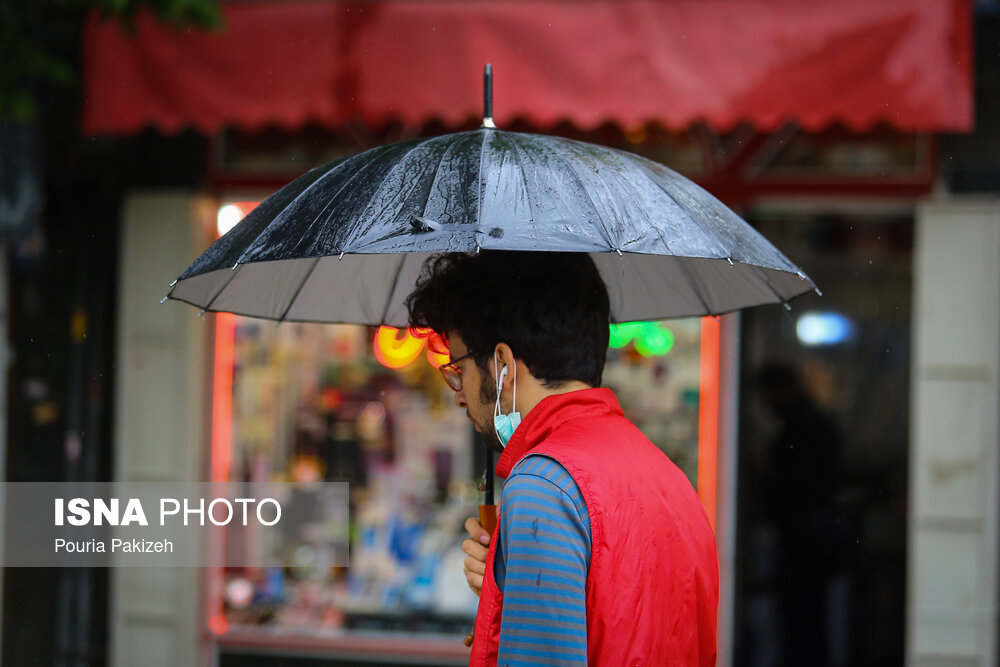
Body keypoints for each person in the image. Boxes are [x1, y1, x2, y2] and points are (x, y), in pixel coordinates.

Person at [406, 250, 719, 666]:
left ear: (501, 364)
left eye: (458, 369)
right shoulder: (668, 476)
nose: (459, 394)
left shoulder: (544, 485)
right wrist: (509, 593)